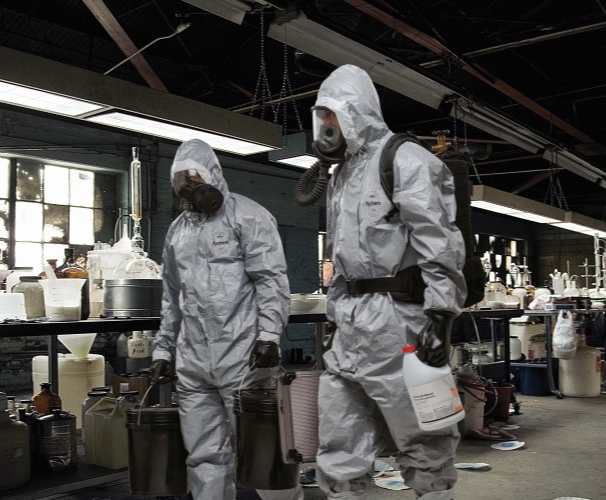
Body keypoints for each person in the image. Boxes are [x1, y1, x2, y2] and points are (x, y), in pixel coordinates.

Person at [312, 64, 467, 499]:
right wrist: (335, 317)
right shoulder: (340, 175)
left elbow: (439, 241)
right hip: (351, 327)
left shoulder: (406, 159)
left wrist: (441, 314)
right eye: (321, 116)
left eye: (333, 114)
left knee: (426, 437)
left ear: (356, 111)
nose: (327, 125)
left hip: (402, 325)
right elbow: (342, 260)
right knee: (339, 439)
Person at [150, 138, 303, 500]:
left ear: (213, 176)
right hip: (193, 360)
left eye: (195, 178)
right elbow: (172, 296)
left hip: (244, 354)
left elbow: (271, 279)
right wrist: (163, 349)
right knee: (203, 455)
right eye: (182, 181)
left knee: (266, 452)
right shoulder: (178, 231)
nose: (189, 188)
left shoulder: (248, 215)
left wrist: (269, 335)